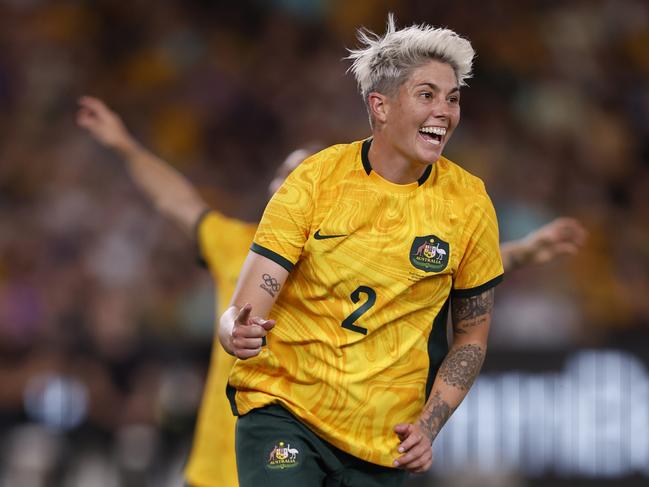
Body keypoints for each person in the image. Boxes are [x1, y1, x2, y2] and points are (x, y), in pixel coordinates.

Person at [77, 92, 585, 487]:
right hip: (224, 464)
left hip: (320, 445)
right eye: (287, 173)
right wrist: (124, 145)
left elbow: (451, 273)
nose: (294, 181)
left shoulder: (357, 244)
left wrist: (522, 251)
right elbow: (176, 200)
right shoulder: (237, 245)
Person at [215, 15, 585, 486]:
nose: (445, 111)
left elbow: (471, 336)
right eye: (427, 95)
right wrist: (235, 331)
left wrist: (429, 426)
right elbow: (243, 307)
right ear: (381, 106)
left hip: (382, 441)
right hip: (286, 409)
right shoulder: (315, 180)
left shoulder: (468, 204)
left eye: (452, 98)